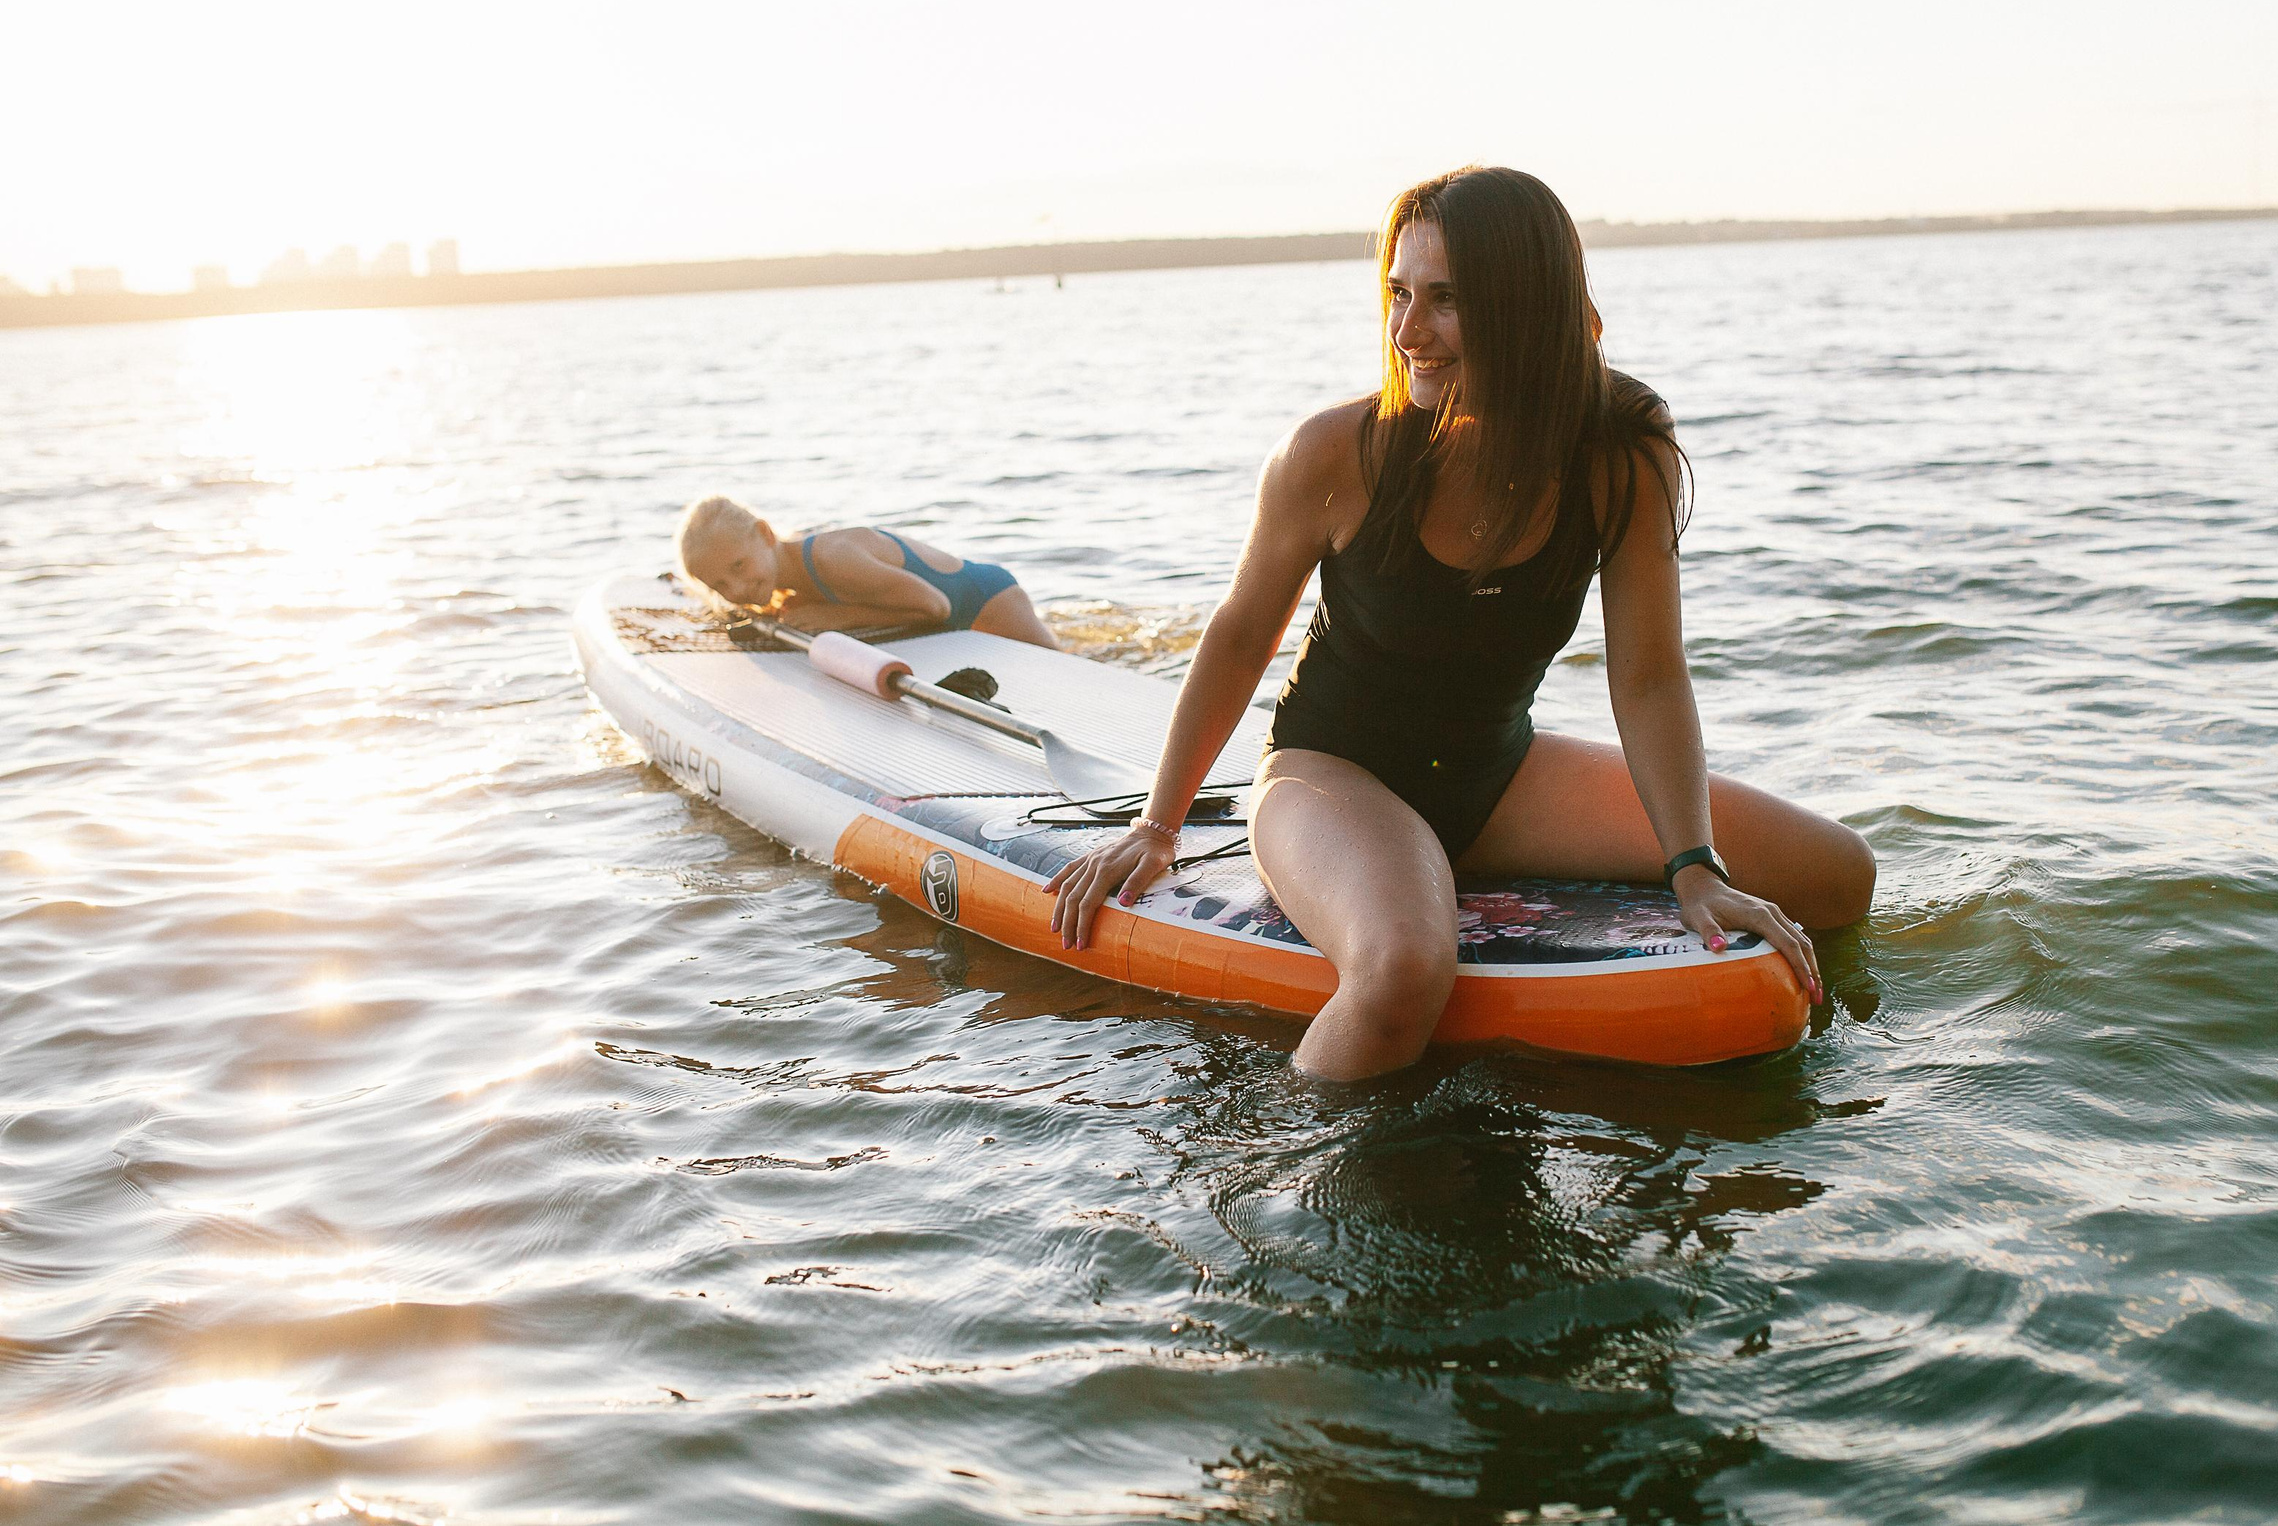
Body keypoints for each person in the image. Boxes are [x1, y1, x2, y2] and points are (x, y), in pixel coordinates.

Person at [1046, 167, 1875, 1079]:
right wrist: (1158, 826)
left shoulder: (1622, 451)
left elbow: (1648, 674)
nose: (1407, 331)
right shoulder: (1338, 453)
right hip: (1333, 776)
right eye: (1398, 294)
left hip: (1499, 778)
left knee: (1838, 873)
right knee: (1402, 972)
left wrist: (1694, 865)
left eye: (1445, 300)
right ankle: (1295, 1157)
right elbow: (1242, 636)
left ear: (1528, 308)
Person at [673, 495, 1059, 648]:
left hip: (984, 600)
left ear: (765, 534)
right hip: (951, 623)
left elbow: (937, 607)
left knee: (1068, 672)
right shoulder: (787, 582)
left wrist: (840, 617)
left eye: (738, 566)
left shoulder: (832, 558)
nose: (737, 587)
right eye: (719, 584)